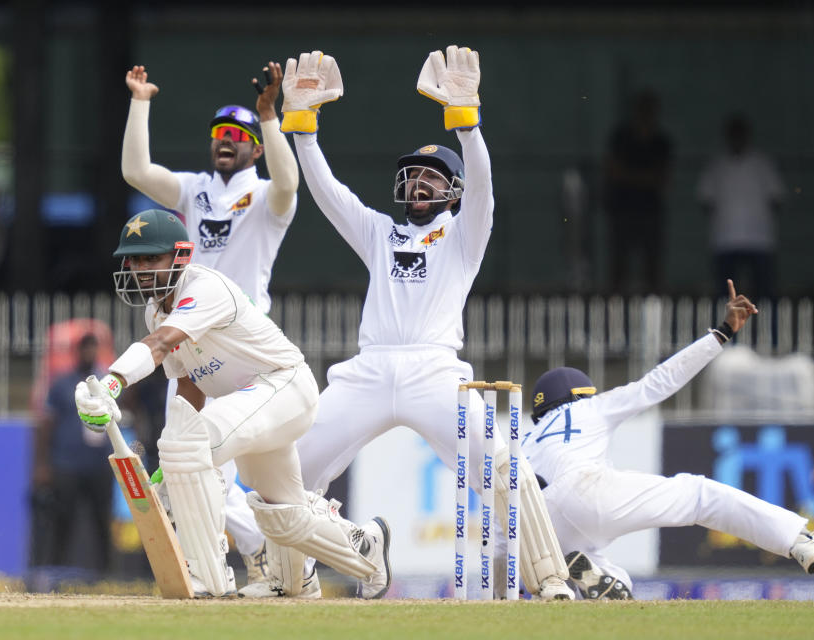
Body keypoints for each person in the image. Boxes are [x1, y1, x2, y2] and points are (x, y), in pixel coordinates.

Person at [278, 46, 573, 600]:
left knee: (505, 467)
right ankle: (294, 580)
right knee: (288, 471)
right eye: (412, 176)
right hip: (368, 370)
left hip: (435, 371)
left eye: (432, 179)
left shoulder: (465, 235)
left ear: (453, 191)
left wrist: (466, 123)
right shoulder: (378, 234)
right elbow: (329, 195)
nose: (418, 185)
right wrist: (305, 133)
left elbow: (484, 188)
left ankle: (551, 577)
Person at [73, 208, 391, 599]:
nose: (140, 269)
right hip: (251, 405)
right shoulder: (155, 312)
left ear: (181, 256)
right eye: (134, 259)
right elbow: (189, 382)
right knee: (281, 514)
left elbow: (160, 346)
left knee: (187, 445)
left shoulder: (204, 288)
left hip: (284, 386)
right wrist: (172, 470)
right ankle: (359, 552)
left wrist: (112, 382)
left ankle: (207, 576)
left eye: (150, 258)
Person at [525, 280, 814, 600]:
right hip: (585, 488)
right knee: (700, 495)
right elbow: (658, 382)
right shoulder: (591, 408)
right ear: (579, 394)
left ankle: (570, 579)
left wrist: (506, 580)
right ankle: (800, 542)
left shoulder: (524, 440)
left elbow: (504, 517)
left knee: (614, 581)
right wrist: (721, 333)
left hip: (543, 525)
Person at [121, 61, 301, 584]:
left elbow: (290, 181)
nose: (226, 142)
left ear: (256, 149)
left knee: (205, 466)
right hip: (188, 344)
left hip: (244, 347)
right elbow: (136, 172)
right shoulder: (192, 190)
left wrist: (270, 116)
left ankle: (260, 552)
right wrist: (140, 102)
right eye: (220, 134)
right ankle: (248, 552)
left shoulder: (269, 197)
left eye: (238, 136)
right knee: (187, 465)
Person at [31, 332, 113, 573]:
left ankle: (106, 573)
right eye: (85, 348)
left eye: (93, 348)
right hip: (66, 463)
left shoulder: (105, 382)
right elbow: (47, 424)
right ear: (77, 352)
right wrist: (43, 464)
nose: (89, 353)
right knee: (63, 519)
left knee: (102, 521)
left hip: (99, 463)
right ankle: (57, 570)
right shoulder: (62, 383)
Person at [697, 113, 785, 300]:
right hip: (725, 238)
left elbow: (776, 198)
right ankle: (727, 329)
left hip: (759, 238)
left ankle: (766, 328)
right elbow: (706, 200)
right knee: (725, 295)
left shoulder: (762, 164)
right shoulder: (717, 165)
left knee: (764, 293)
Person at [603, 89, 673, 294]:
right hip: (622, 210)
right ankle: (612, 315)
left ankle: (654, 315)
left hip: (651, 212)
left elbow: (663, 179)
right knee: (618, 268)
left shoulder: (661, 142)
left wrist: (629, 176)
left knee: (652, 268)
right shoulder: (621, 138)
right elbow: (612, 171)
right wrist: (646, 177)